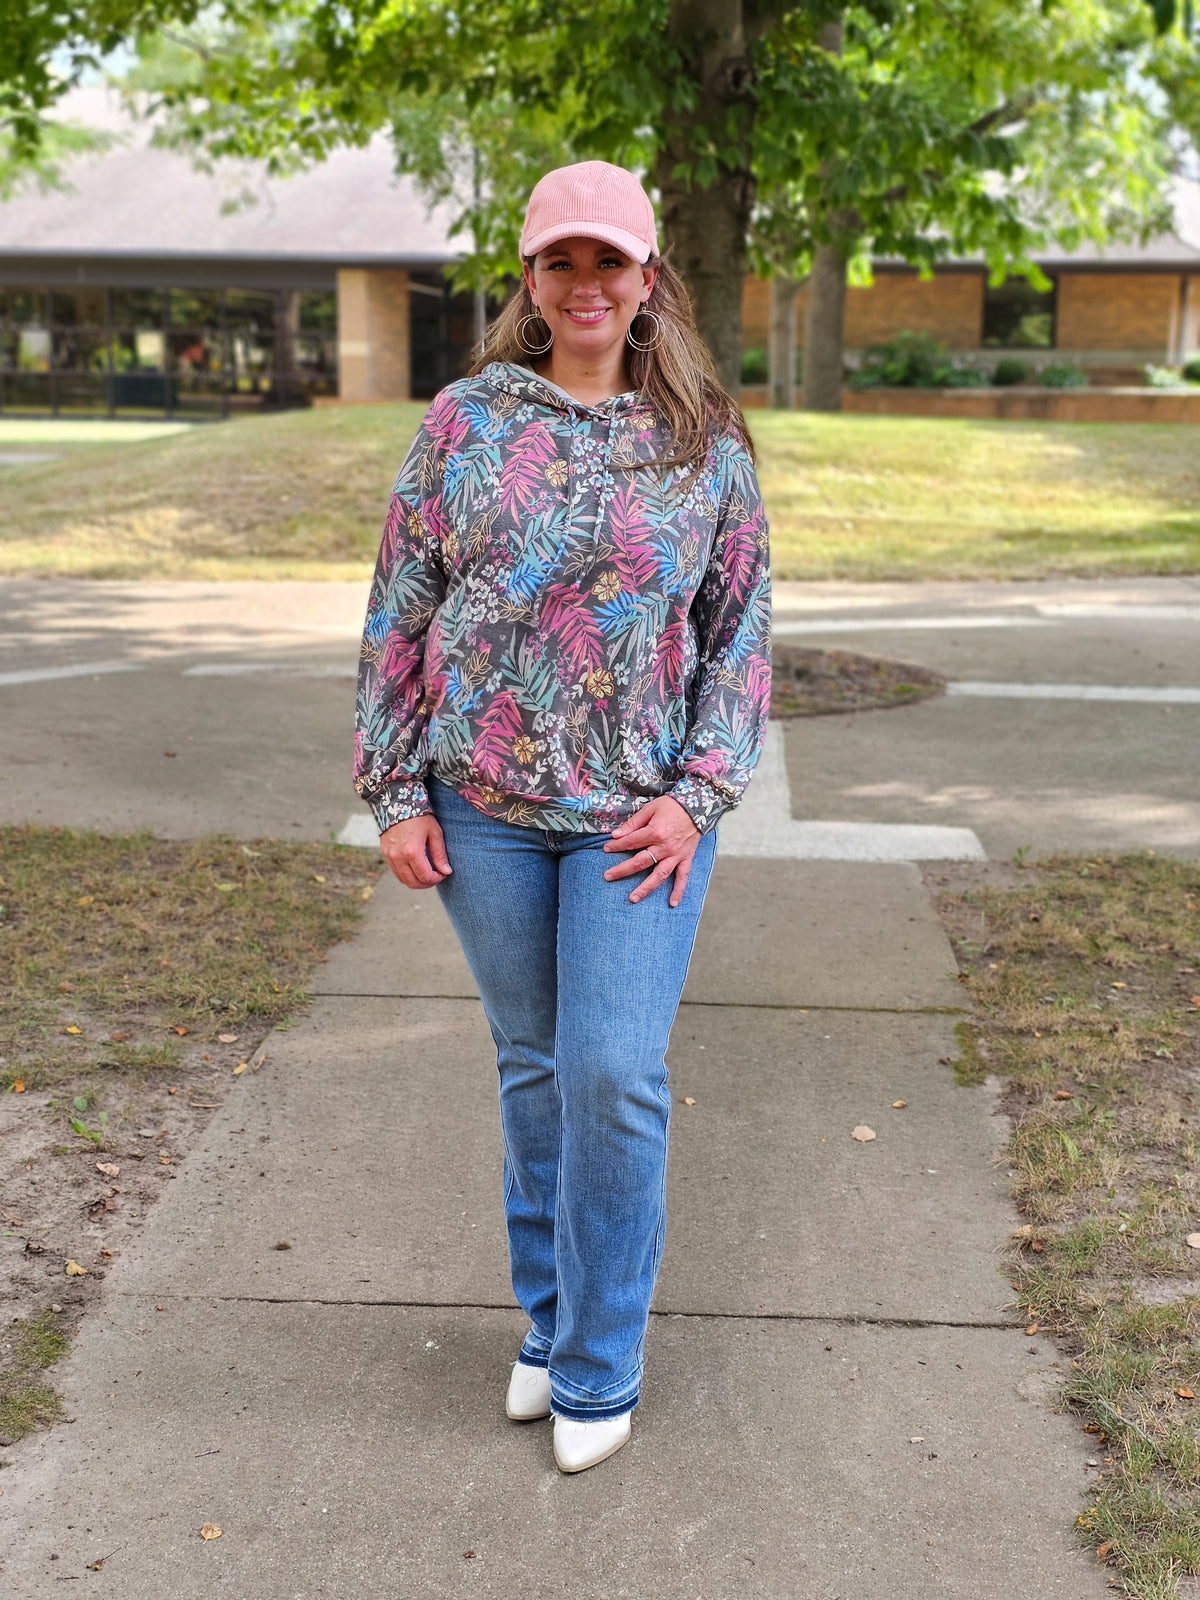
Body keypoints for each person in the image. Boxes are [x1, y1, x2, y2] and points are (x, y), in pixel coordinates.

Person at [354, 160, 770, 1474]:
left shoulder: (703, 436)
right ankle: (547, 1322)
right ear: (530, 280)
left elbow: (740, 634)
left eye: (610, 261)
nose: (587, 284)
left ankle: (600, 1362)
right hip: (480, 807)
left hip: (637, 818)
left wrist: (700, 798)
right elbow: (400, 608)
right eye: (561, 261)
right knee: (534, 1065)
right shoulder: (465, 424)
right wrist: (393, 790)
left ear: (649, 278)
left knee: (612, 1072)